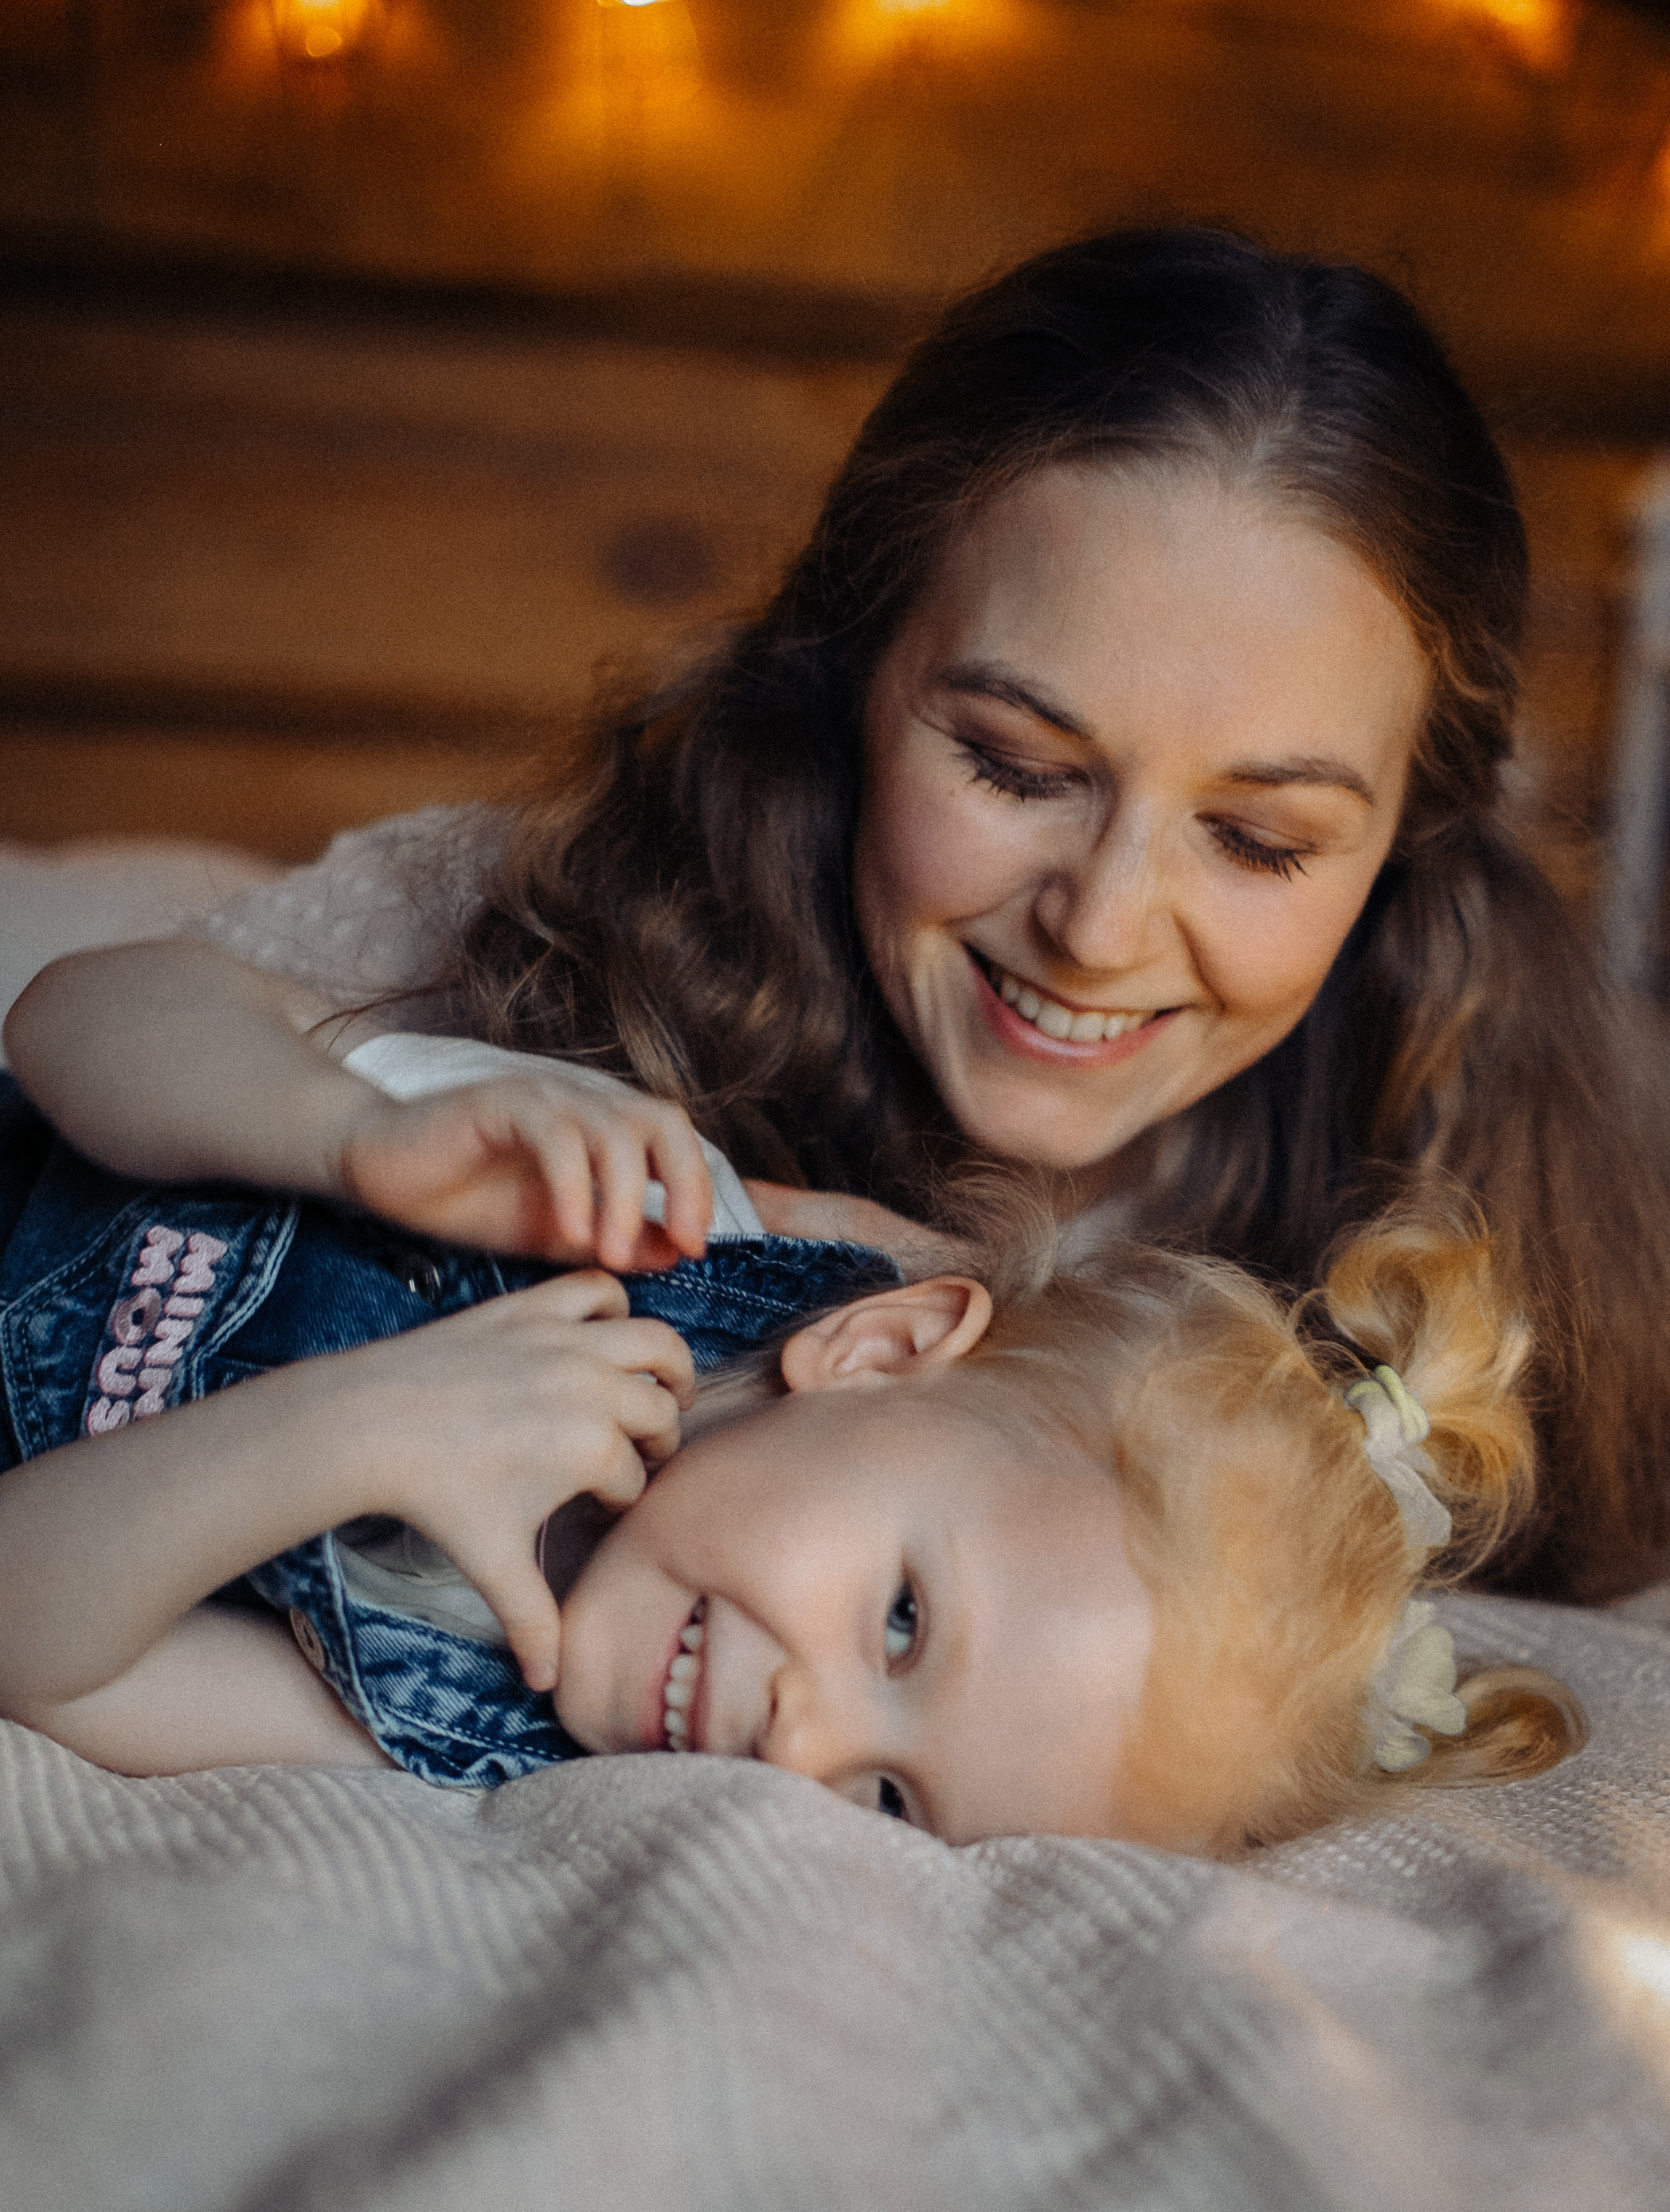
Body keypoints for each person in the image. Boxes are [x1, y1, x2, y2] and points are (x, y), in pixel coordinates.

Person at [7, 226, 1668, 1604]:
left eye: (1252, 836)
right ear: (854, 672)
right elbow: (118, 1009)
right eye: (1014, 766)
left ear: (1405, 840)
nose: (1098, 928)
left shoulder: (1471, 1212)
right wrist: (335, 1127)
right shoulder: (569, 916)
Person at [0, 1051, 1582, 1850]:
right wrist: (340, 1129)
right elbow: (83, 1019)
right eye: (899, 1619)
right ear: (877, 1351)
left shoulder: (465, 1712)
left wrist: (345, 1432)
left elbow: (42, 1654)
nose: (801, 1749)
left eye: (890, 1803)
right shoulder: (657, 1217)